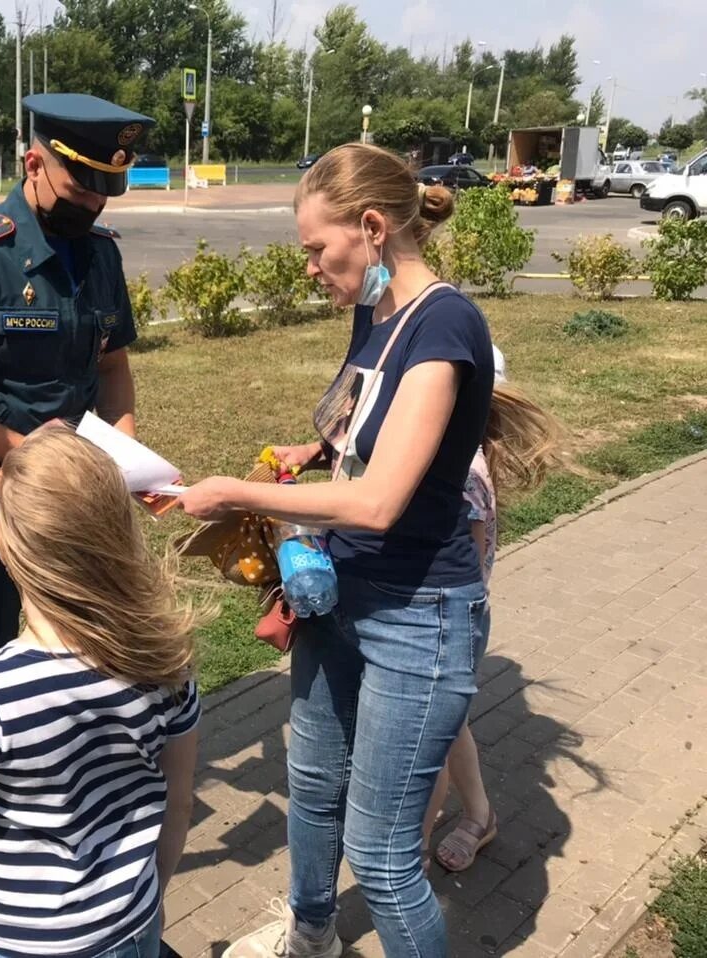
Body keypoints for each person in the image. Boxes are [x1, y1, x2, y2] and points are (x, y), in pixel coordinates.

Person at [180, 143, 497, 958]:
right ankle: (312, 936)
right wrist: (306, 452)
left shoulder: (445, 324)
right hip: (336, 593)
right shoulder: (378, 311)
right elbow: (360, 438)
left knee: (387, 859)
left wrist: (239, 492)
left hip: (418, 615)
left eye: (318, 250)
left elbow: (381, 500)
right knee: (315, 787)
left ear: (371, 227)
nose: (311, 269)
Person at [0, 428, 202, 958]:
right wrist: (150, 899)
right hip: (131, 923)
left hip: (19, 943)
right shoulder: (168, 661)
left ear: (6, 542)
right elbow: (180, 800)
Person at [0, 92, 153, 666]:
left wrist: (126, 451)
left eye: (105, 191)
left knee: (91, 644)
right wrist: (31, 459)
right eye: (80, 187)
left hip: (78, 492)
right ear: (34, 163)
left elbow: (111, 364)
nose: (93, 203)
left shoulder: (100, 256)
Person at [423, 346, 559, 874]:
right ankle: (481, 815)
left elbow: (464, 568)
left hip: (449, 620)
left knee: (427, 739)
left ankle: (410, 849)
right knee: (448, 723)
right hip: (445, 618)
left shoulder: (464, 470)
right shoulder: (454, 455)